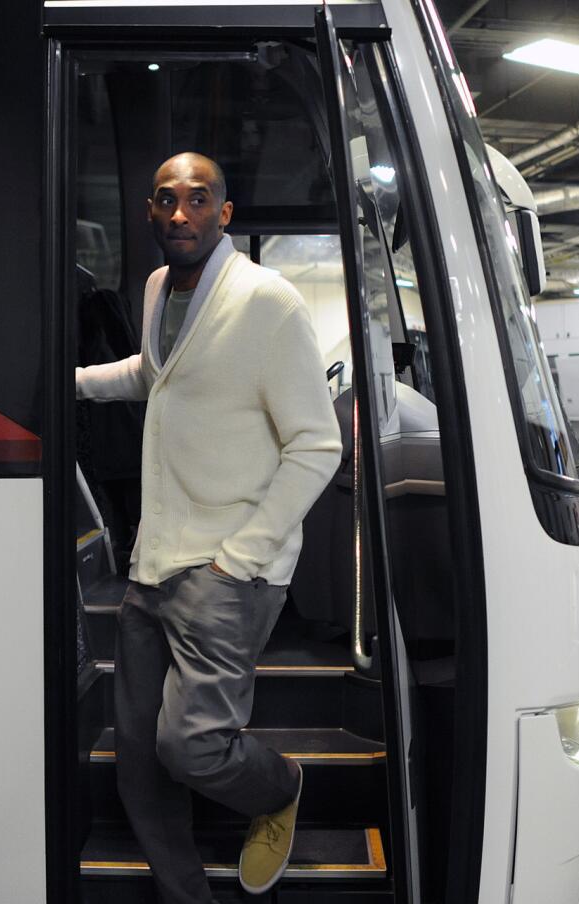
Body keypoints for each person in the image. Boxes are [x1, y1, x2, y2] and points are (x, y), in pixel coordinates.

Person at [76, 152, 342, 903]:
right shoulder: (162, 286)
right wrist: (68, 383)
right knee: (138, 757)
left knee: (190, 745)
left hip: (226, 570)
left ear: (225, 214)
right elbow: (154, 371)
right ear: (150, 213)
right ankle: (187, 894)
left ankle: (280, 787)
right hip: (153, 561)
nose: (181, 214)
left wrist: (242, 557)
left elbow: (317, 445)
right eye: (166, 200)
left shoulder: (268, 301)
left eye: (199, 200)